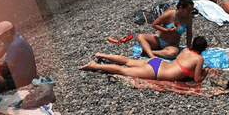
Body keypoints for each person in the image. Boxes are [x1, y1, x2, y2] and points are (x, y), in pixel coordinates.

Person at [79, 36, 211, 83]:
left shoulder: (186, 51)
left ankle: (101, 55)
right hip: (156, 72)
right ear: (203, 50)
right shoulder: (199, 59)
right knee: (122, 70)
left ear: (192, 45)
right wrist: (206, 70)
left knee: (127, 61)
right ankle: (95, 66)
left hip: (157, 62)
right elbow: (197, 79)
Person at [0, 21, 38, 90]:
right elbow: (1, 50)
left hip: (25, 79)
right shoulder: (17, 35)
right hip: (29, 72)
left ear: (8, 33)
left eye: (0, 36)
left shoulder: (14, 45)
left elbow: (6, 68)